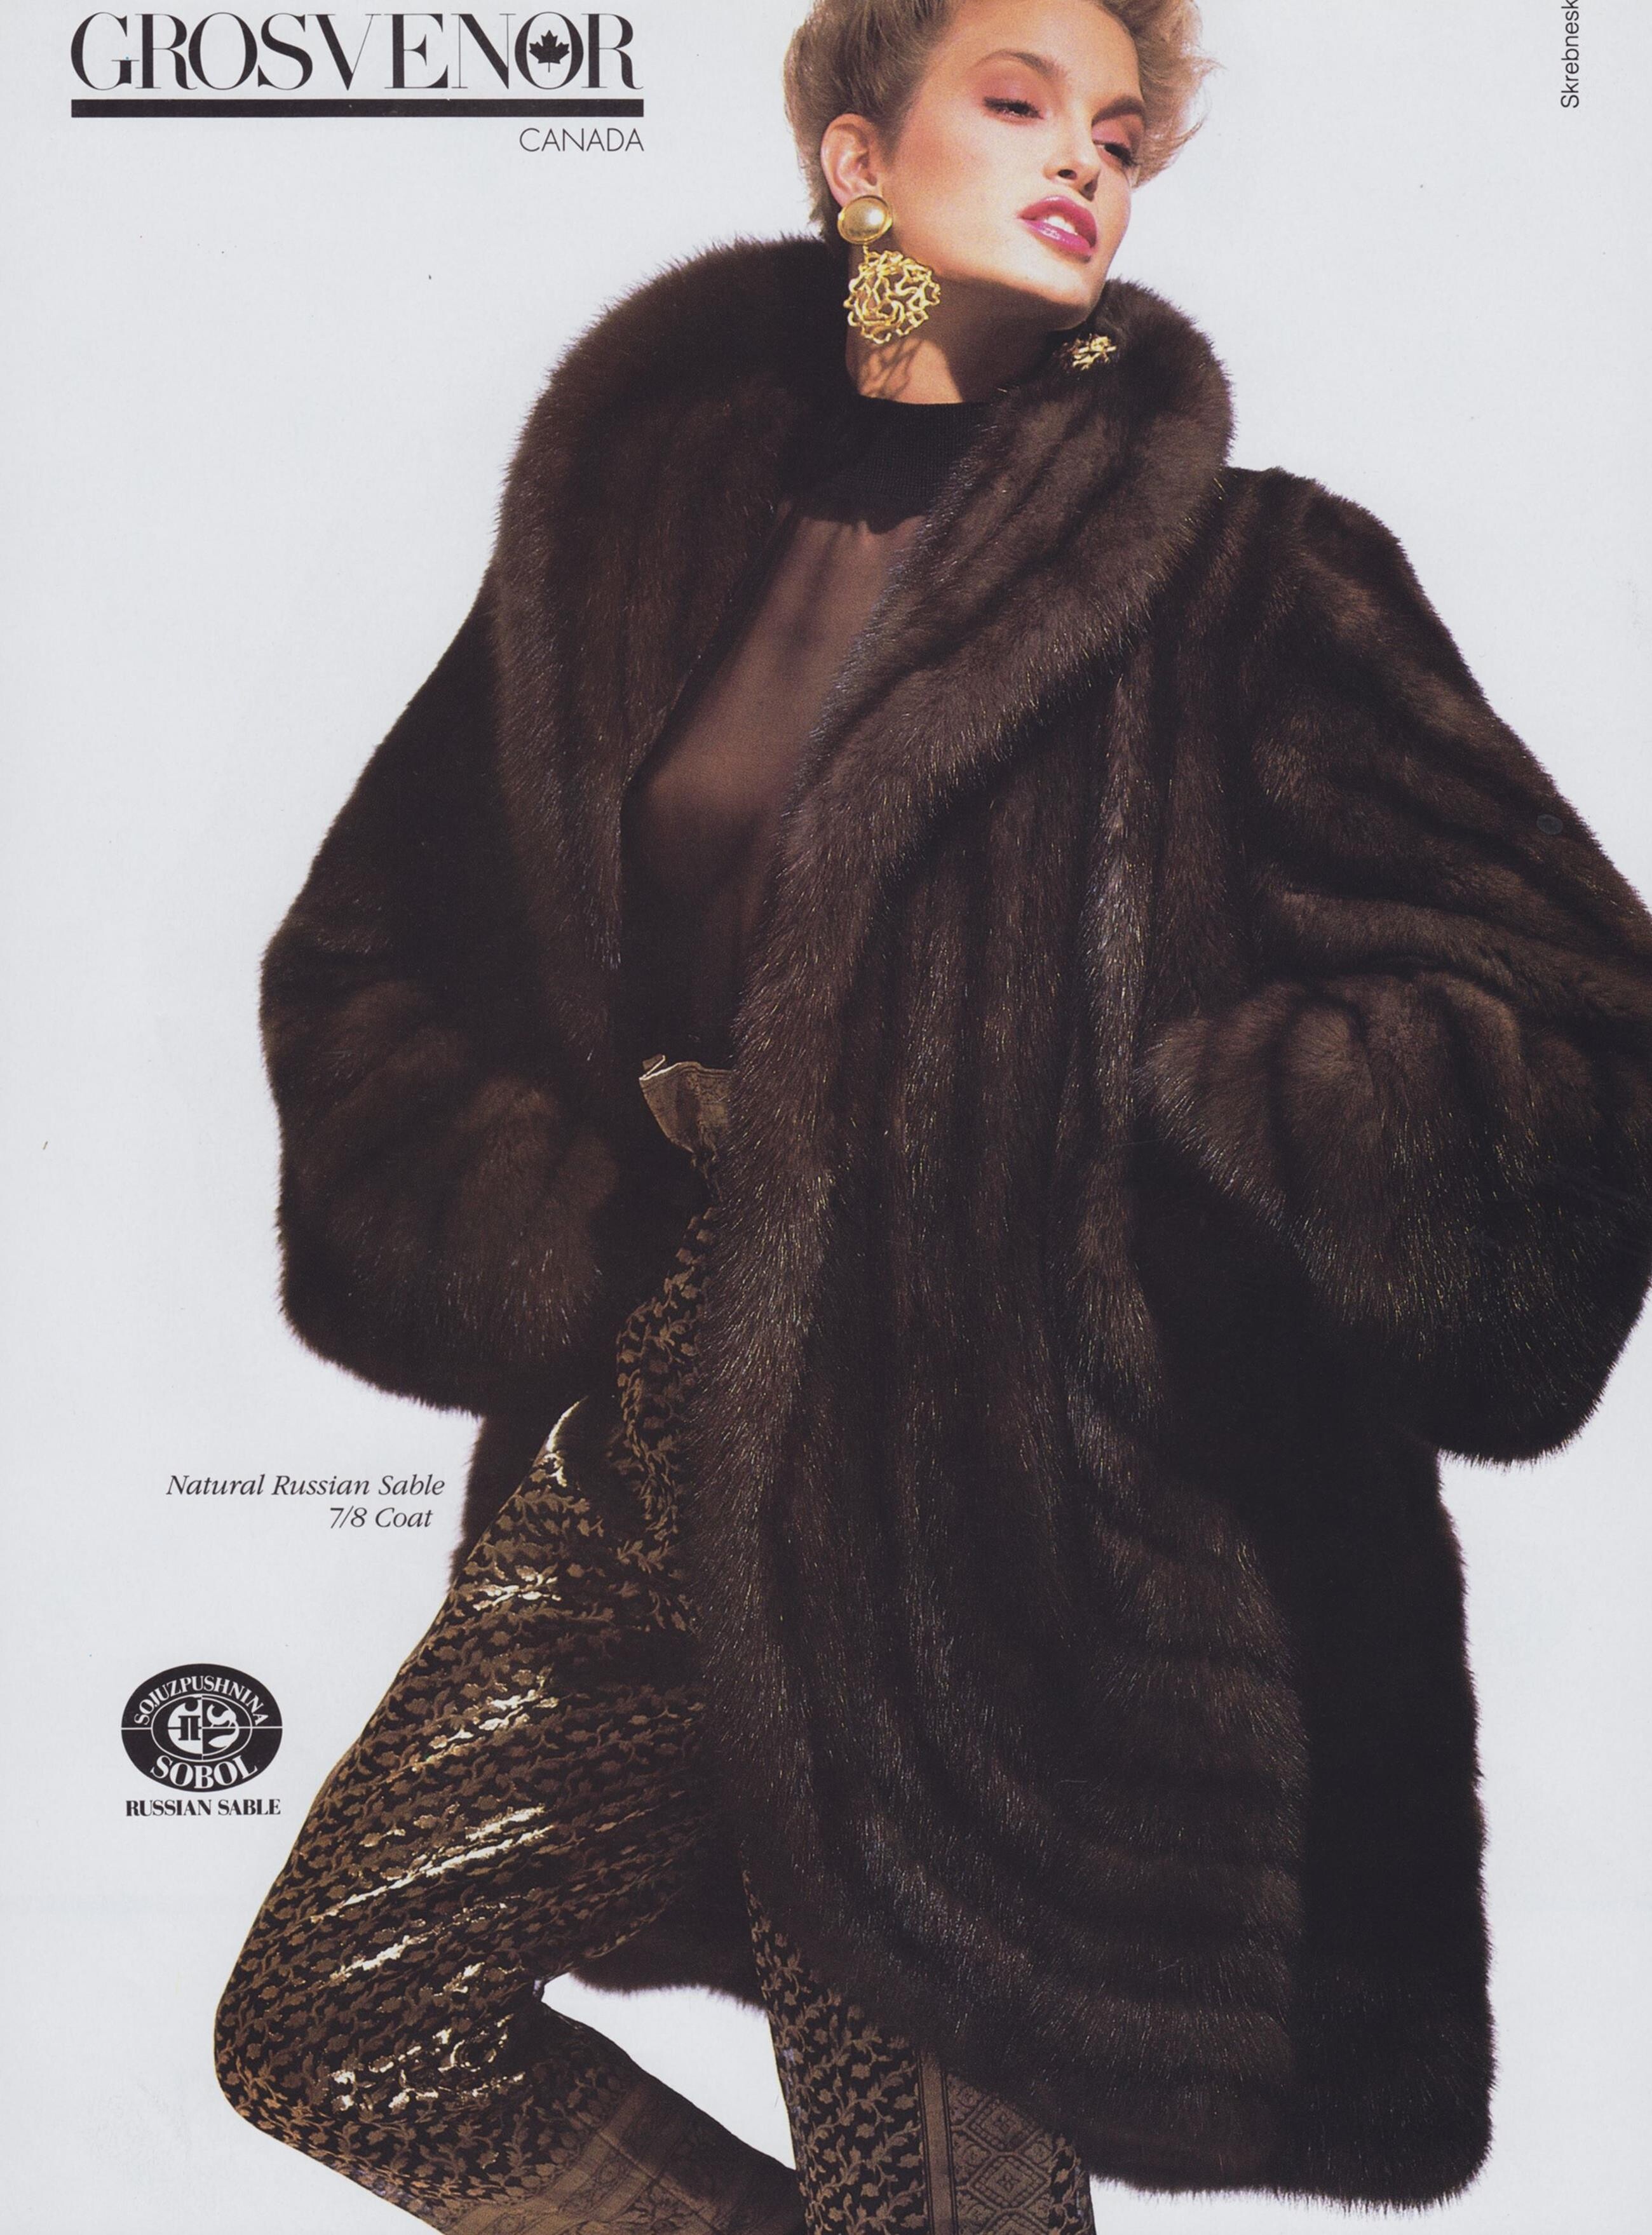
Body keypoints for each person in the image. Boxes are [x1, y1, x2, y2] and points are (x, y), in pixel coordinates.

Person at [213, 0, 1652, 2227]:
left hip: (1000, 1496)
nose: (1088, 158)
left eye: (1121, 133)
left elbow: (1565, 1018)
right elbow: (375, 957)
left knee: (937, 2192)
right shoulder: (619, 557)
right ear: (859, 159)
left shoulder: (1249, 580)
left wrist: (1154, 1188)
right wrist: (556, 1242)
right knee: (342, 2019)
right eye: (1020, 102)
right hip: (665, 1420)